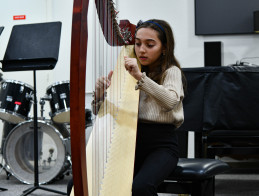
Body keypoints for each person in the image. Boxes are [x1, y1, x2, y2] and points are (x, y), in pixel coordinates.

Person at [67, 19, 186, 196]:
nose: (141, 50)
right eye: (137, 44)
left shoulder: (171, 71)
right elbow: (104, 113)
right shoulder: (128, 71)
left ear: (165, 48)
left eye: (150, 44)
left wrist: (140, 78)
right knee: (77, 183)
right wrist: (99, 95)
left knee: (141, 187)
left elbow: (170, 102)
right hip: (129, 143)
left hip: (161, 146)